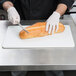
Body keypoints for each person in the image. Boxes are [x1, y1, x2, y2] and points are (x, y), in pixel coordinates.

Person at [0, 0, 74, 76]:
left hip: (51, 23)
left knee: (53, 65)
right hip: (20, 22)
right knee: (18, 66)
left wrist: (57, 13)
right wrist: (9, 8)